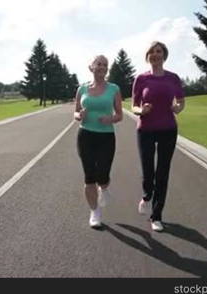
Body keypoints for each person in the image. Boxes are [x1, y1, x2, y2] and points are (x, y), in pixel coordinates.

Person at [132, 41, 185, 232]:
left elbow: (181, 102)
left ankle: (157, 216)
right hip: (145, 129)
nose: (155, 54)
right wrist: (141, 111)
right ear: (148, 56)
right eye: (152, 52)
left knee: (162, 173)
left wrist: (177, 108)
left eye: (159, 51)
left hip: (168, 129)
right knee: (148, 172)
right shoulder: (141, 78)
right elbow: (134, 105)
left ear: (164, 55)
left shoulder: (173, 78)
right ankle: (146, 196)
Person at [74, 55, 123, 228]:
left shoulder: (114, 89)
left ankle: (104, 187)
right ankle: (95, 211)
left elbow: (120, 115)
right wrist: (79, 115)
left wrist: (110, 119)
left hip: (106, 137)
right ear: (91, 67)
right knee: (89, 176)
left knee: (103, 174)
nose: (102, 67)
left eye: (105, 65)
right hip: (85, 135)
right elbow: (75, 113)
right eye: (99, 64)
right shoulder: (82, 89)